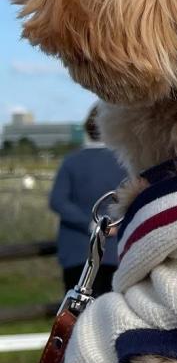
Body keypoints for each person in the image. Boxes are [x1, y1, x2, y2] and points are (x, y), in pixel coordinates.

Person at [49, 105, 127, 295]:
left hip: (77, 252)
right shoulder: (124, 162)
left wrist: (91, 223)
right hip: (117, 252)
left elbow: (58, 201)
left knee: (77, 316)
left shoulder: (70, 161)